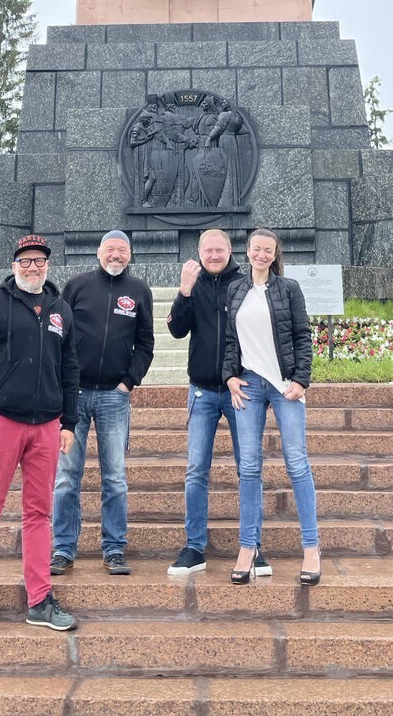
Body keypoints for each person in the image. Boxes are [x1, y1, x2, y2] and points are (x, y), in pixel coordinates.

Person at [0, 235, 79, 635]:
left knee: (39, 514)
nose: (32, 267)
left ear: (47, 265)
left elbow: (69, 368)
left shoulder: (61, 309)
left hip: (46, 425)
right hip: (0, 422)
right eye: (25, 261)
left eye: (39, 260)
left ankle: (40, 600)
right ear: (14, 265)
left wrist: (69, 422)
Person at [165, 229, 270, 576]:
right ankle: (195, 546)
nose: (213, 255)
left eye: (219, 250)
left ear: (230, 251)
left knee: (248, 469)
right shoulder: (193, 284)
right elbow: (177, 330)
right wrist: (183, 291)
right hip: (202, 390)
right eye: (207, 250)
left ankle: (253, 545)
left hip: (242, 388)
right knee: (196, 469)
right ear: (199, 252)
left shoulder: (244, 283)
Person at [51, 230, 155, 576]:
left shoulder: (139, 291)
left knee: (115, 477)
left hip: (114, 397)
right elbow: (58, 334)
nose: (116, 255)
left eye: (122, 250)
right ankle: (63, 548)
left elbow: (145, 343)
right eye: (110, 249)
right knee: (67, 476)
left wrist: (129, 382)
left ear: (130, 255)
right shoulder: (77, 286)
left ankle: (114, 548)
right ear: (98, 253)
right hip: (74, 395)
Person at [224, 227, 320, 586]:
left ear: (275, 254)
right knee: (249, 467)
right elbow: (231, 340)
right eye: (256, 249)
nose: (261, 255)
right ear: (247, 251)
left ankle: (311, 548)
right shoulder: (236, 289)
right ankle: (247, 548)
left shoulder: (288, 288)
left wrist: (301, 380)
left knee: (296, 462)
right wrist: (229, 376)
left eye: (268, 250)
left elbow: (302, 335)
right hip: (249, 383)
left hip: (284, 385)